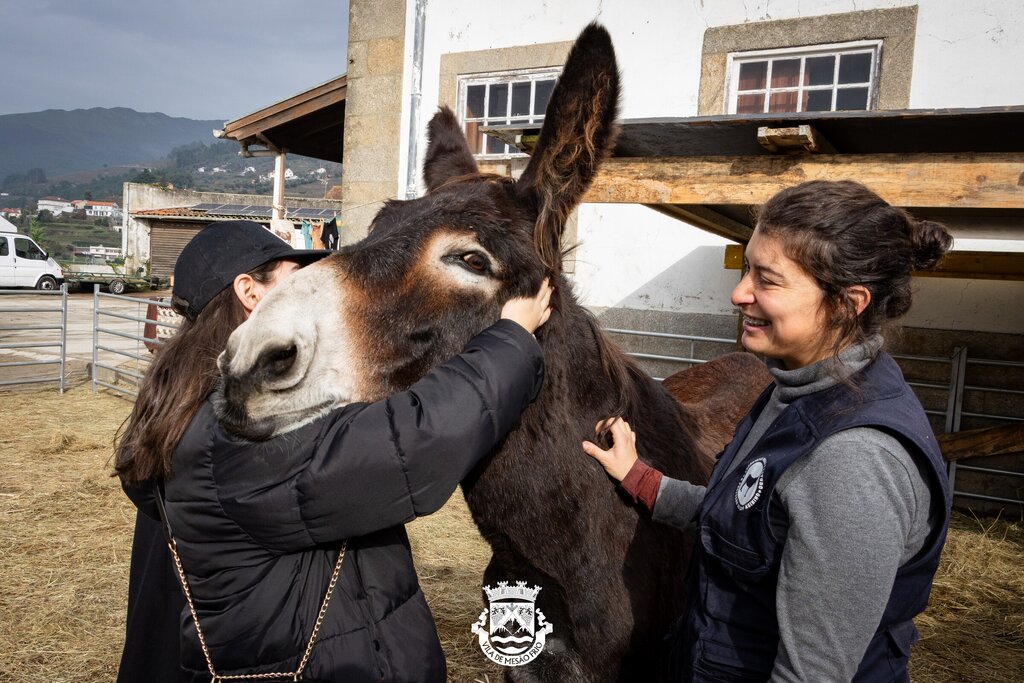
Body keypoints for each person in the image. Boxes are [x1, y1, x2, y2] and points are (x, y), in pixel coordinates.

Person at [115, 220, 553, 682]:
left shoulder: (184, 402)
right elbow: (413, 444)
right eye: (293, 275)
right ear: (250, 291)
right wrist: (511, 340)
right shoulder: (237, 428)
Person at [582, 180, 953, 682]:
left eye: (767, 279)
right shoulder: (797, 391)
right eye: (746, 268)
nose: (739, 293)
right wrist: (640, 478)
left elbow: (811, 674)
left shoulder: (854, 461)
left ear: (848, 302)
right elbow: (743, 518)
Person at [116, 220, 333, 682]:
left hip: (177, 628)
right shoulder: (238, 411)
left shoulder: (180, 386)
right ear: (250, 292)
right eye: (293, 278)